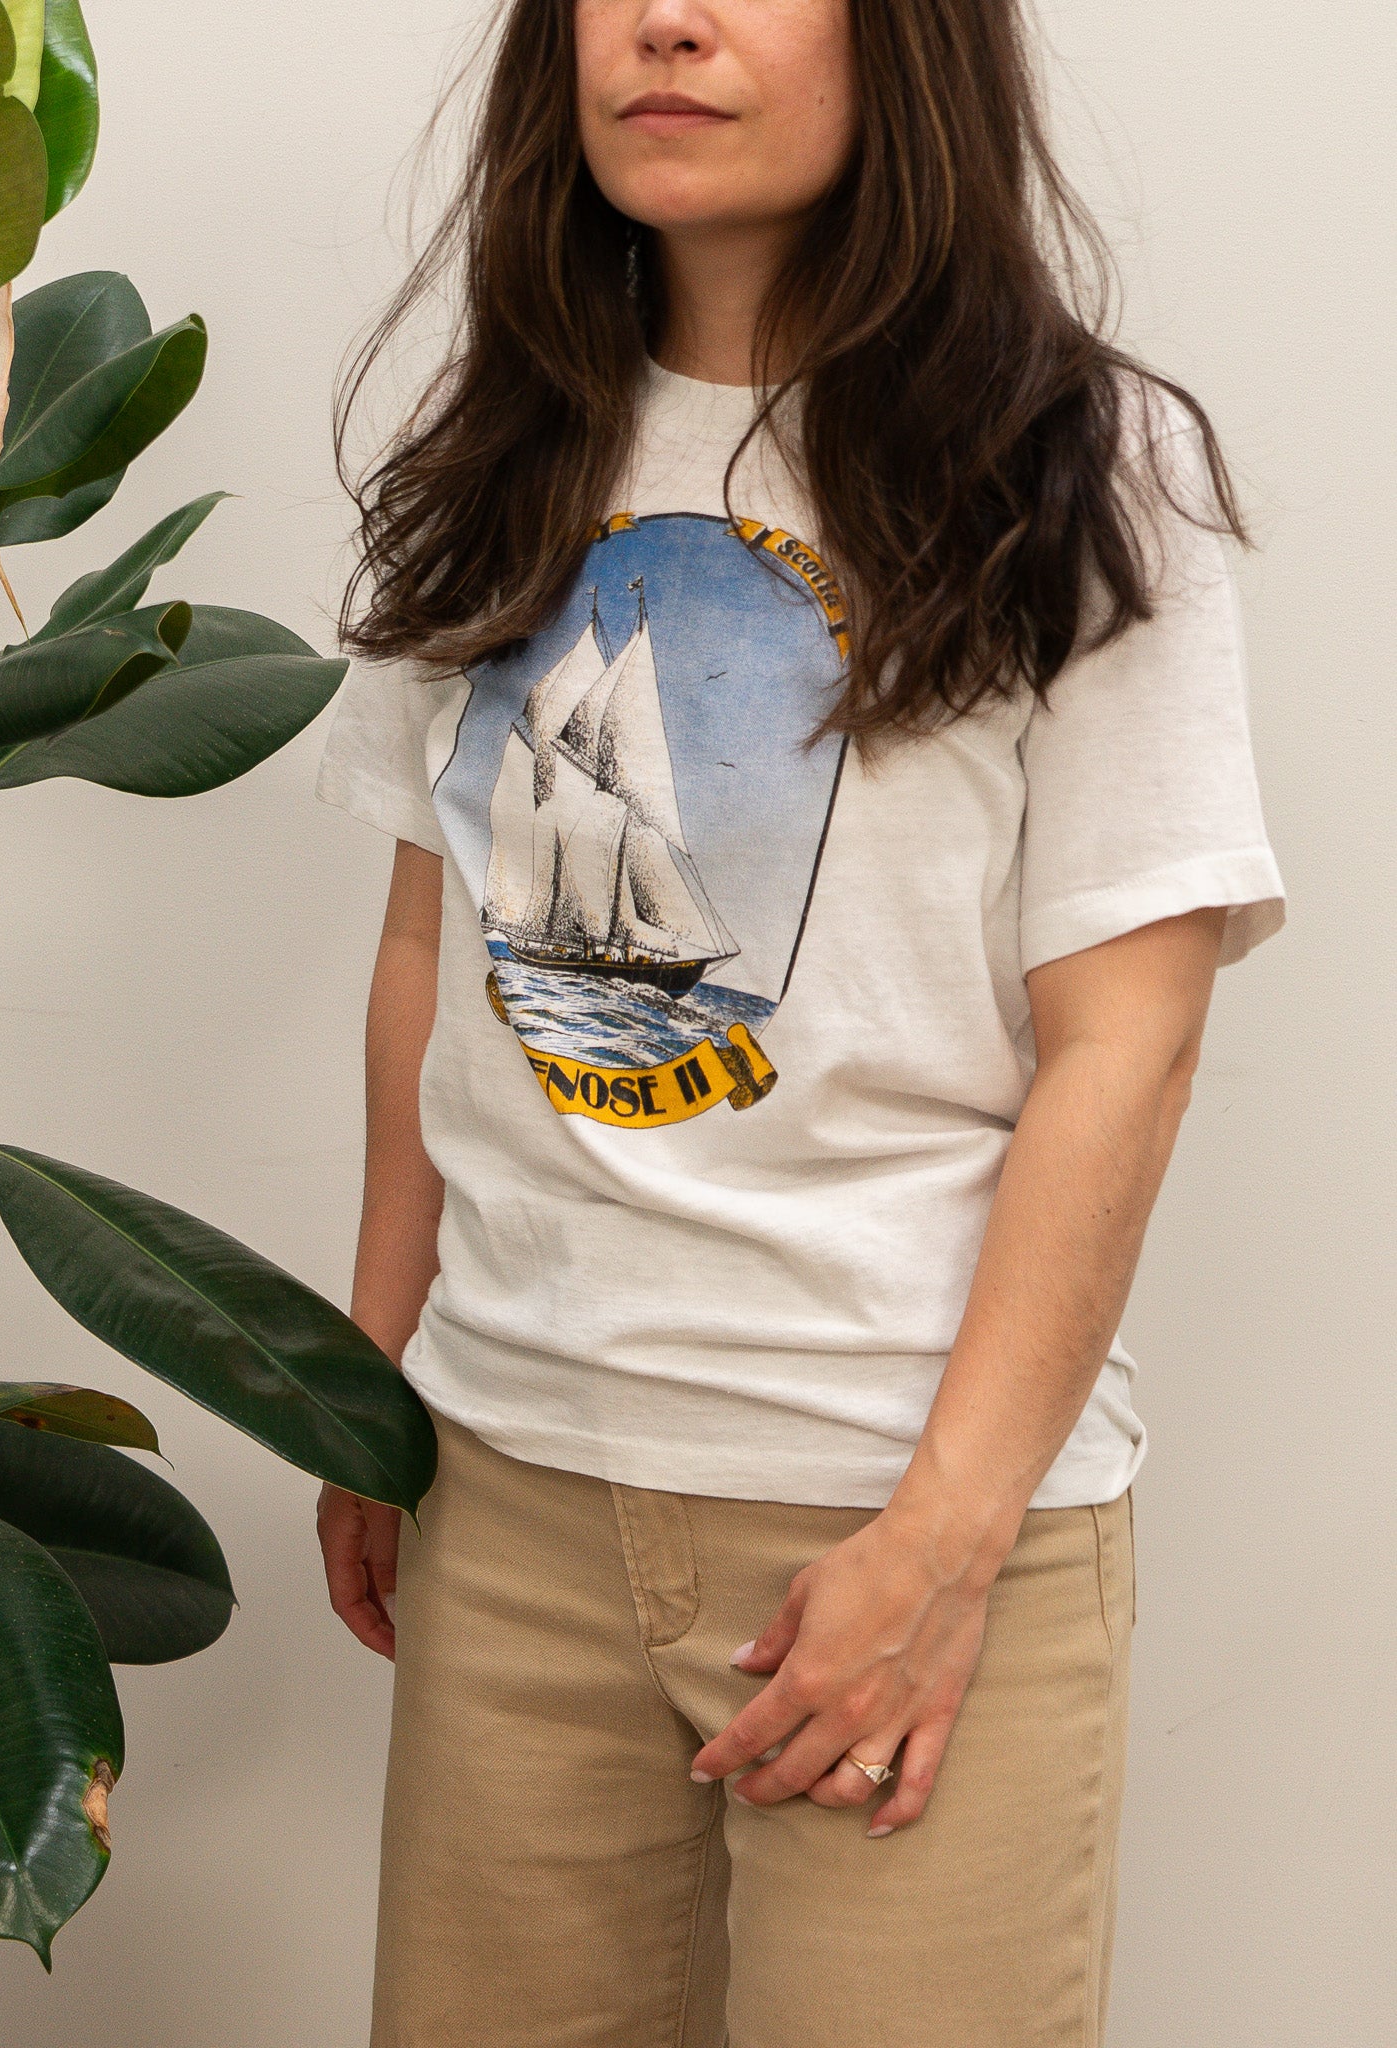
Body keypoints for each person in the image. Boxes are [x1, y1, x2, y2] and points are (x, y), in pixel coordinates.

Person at [314, 3, 1285, 2043]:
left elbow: (1132, 1042)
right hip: (510, 1483)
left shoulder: (1087, 468)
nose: (664, 21)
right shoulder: (497, 445)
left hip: (909, 1522)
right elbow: (434, 941)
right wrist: (366, 1376)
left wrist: (940, 1546)